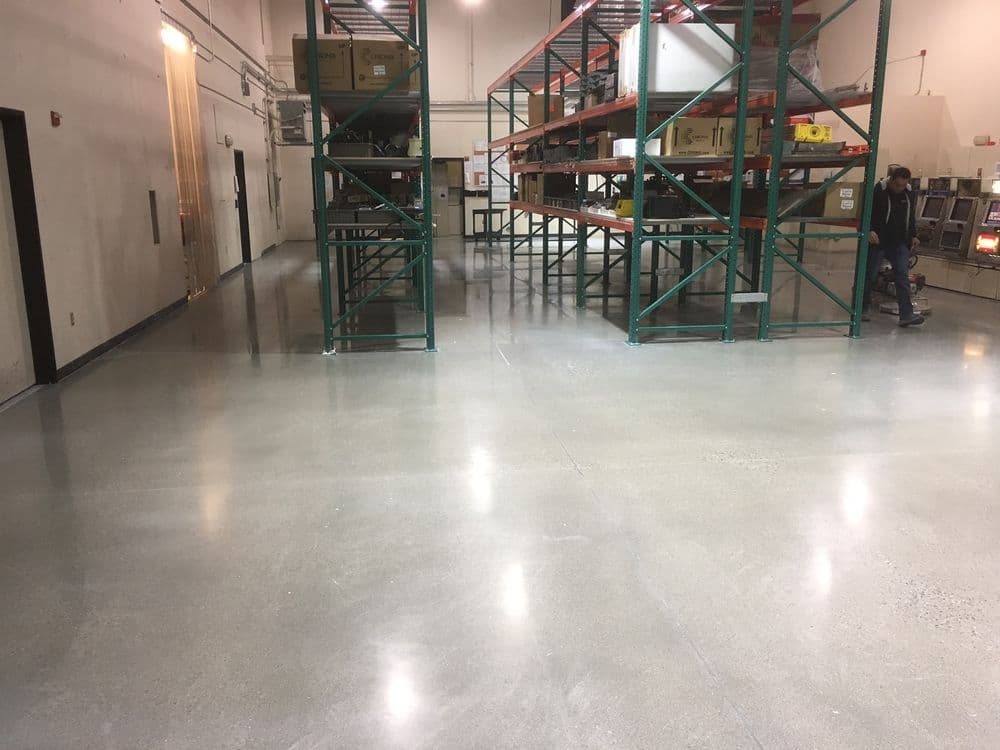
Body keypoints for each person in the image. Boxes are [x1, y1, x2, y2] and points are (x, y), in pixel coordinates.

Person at [863, 166, 924, 326]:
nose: (899, 189)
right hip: (878, 241)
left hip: (899, 242)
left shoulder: (908, 194)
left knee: (902, 277)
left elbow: (910, 216)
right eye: (897, 185)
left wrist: (913, 235)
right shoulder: (878, 191)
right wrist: (869, 230)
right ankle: (861, 309)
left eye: (903, 186)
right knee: (869, 275)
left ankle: (906, 315)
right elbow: (866, 211)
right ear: (890, 180)